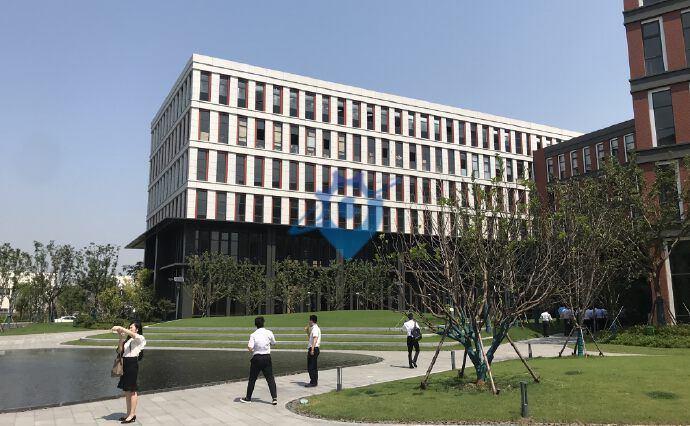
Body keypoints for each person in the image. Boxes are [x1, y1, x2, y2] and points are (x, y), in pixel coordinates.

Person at [112, 321, 146, 424]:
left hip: (132, 364)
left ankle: (132, 414)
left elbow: (133, 335)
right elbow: (119, 351)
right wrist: (121, 337)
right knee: (127, 390)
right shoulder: (128, 340)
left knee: (132, 390)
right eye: (129, 327)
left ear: (137, 329)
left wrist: (121, 327)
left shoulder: (140, 338)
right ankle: (128, 414)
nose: (130, 329)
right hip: (125, 363)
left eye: (131, 327)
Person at [240, 316, 278, 405]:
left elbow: (250, 347)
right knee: (270, 378)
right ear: (264, 323)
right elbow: (274, 343)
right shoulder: (269, 332)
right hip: (267, 357)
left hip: (257, 358)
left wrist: (254, 350)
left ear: (255, 324)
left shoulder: (253, 335)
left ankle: (248, 398)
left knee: (252, 379)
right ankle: (274, 398)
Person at [305, 314, 321, 387]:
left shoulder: (315, 329)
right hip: (314, 348)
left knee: (311, 367)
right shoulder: (314, 329)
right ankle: (314, 382)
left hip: (313, 348)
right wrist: (307, 331)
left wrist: (312, 349)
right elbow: (311, 339)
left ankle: (313, 382)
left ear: (312, 321)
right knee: (313, 366)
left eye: (309, 320)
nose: (309, 322)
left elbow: (315, 339)